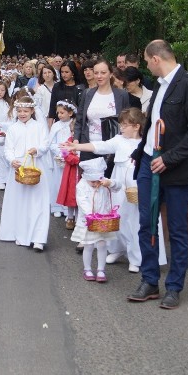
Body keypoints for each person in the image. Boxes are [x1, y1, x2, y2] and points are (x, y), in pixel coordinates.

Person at [128, 39, 188, 310]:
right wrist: (141, 153)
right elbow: (153, 127)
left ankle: (174, 287)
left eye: (146, 60)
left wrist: (169, 159)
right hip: (149, 165)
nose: (146, 65)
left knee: (176, 228)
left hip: (176, 169)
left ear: (155, 59)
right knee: (146, 224)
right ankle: (149, 280)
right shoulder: (159, 88)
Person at [64, 108, 145, 273]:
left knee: (135, 220)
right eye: (120, 124)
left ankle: (136, 257)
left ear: (136, 126)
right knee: (116, 215)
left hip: (136, 182)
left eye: (125, 125)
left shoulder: (144, 143)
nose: (121, 127)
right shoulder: (119, 139)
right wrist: (77, 146)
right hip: (118, 180)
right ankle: (117, 249)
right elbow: (100, 146)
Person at [0, 96, 50, 251]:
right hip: (19, 167)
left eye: (25, 111)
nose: (22, 114)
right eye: (19, 111)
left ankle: (38, 237)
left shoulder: (39, 126)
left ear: (32, 111)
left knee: (38, 202)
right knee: (19, 202)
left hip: (35, 166)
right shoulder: (13, 128)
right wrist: (12, 160)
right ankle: (20, 233)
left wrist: (38, 150)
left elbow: (45, 144)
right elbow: (8, 148)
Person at [74, 59, 132, 177]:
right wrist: (76, 139)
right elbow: (80, 119)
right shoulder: (87, 93)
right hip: (88, 146)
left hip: (112, 148)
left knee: (110, 183)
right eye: (96, 73)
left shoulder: (121, 95)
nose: (99, 76)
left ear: (111, 74)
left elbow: (127, 120)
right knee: (89, 185)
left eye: (103, 73)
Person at [70, 157, 120, 282]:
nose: (94, 184)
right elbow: (82, 202)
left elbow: (118, 187)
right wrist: (91, 215)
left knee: (102, 244)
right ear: (86, 178)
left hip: (103, 222)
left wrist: (110, 183)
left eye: (97, 181)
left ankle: (101, 270)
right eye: (92, 181)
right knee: (88, 245)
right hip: (89, 221)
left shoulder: (104, 184)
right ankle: (87, 268)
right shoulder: (81, 186)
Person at [48, 100, 77, 220]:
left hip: (71, 158)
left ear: (70, 113)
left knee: (69, 183)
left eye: (62, 112)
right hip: (59, 158)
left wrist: (69, 154)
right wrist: (61, 152)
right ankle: (57, 207)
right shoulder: (56, 125)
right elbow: (51, 142)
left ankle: (68, 209)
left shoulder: (75, 124)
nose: (59, 115)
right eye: (58, 112)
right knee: (57, 182)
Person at [47, 61, 85, 127]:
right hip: (59, 122)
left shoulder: (80, 87)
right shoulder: (57, 86)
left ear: (73, 72)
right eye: (62, 72)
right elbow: (52, 108)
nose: (64, 75)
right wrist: (50, 127)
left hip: (75, 124)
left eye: (66, 72)